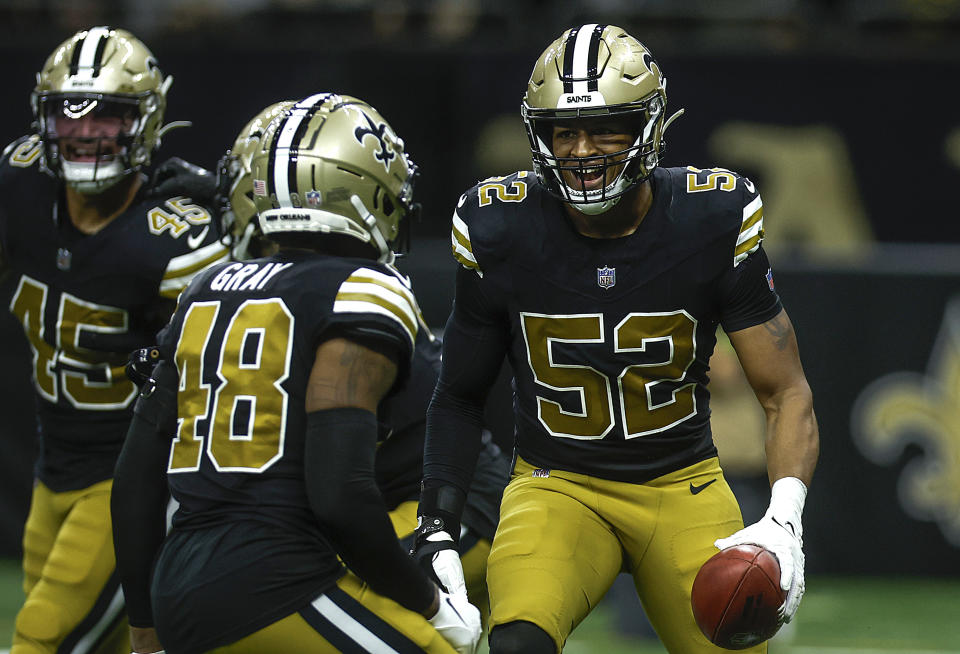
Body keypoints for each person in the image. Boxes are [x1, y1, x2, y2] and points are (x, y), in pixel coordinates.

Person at [412, 23, 820, 654]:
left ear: (650, 128)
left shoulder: (709, 216)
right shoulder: (498, 226)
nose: (582, 149)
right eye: (563, 130)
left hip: (682, 483)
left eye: (607, 127)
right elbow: (458, 395)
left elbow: (785, 391)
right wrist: (436, 525)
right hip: (556, 484)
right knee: (517, 644)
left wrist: (784, 518)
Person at [111, 93, 483, 654]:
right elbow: (339, 495)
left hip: (182, 575)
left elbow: (134, 483)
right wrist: (430, 603)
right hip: (278, 574)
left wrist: (143, 625)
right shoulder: (363, 288)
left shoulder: (203, 290)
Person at [216, 100, 512, 626]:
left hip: (436, 509)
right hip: (359, 508)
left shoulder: (352, 295)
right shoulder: (308, 289)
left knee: (298, 597)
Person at [0, 26, 228, 654]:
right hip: (53, 468)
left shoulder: (177, 240)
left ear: (148, 121)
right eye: (68, 119)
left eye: (106, 120)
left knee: (39, 638)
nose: (84, 135)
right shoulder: (18, 183)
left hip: (130, 479)